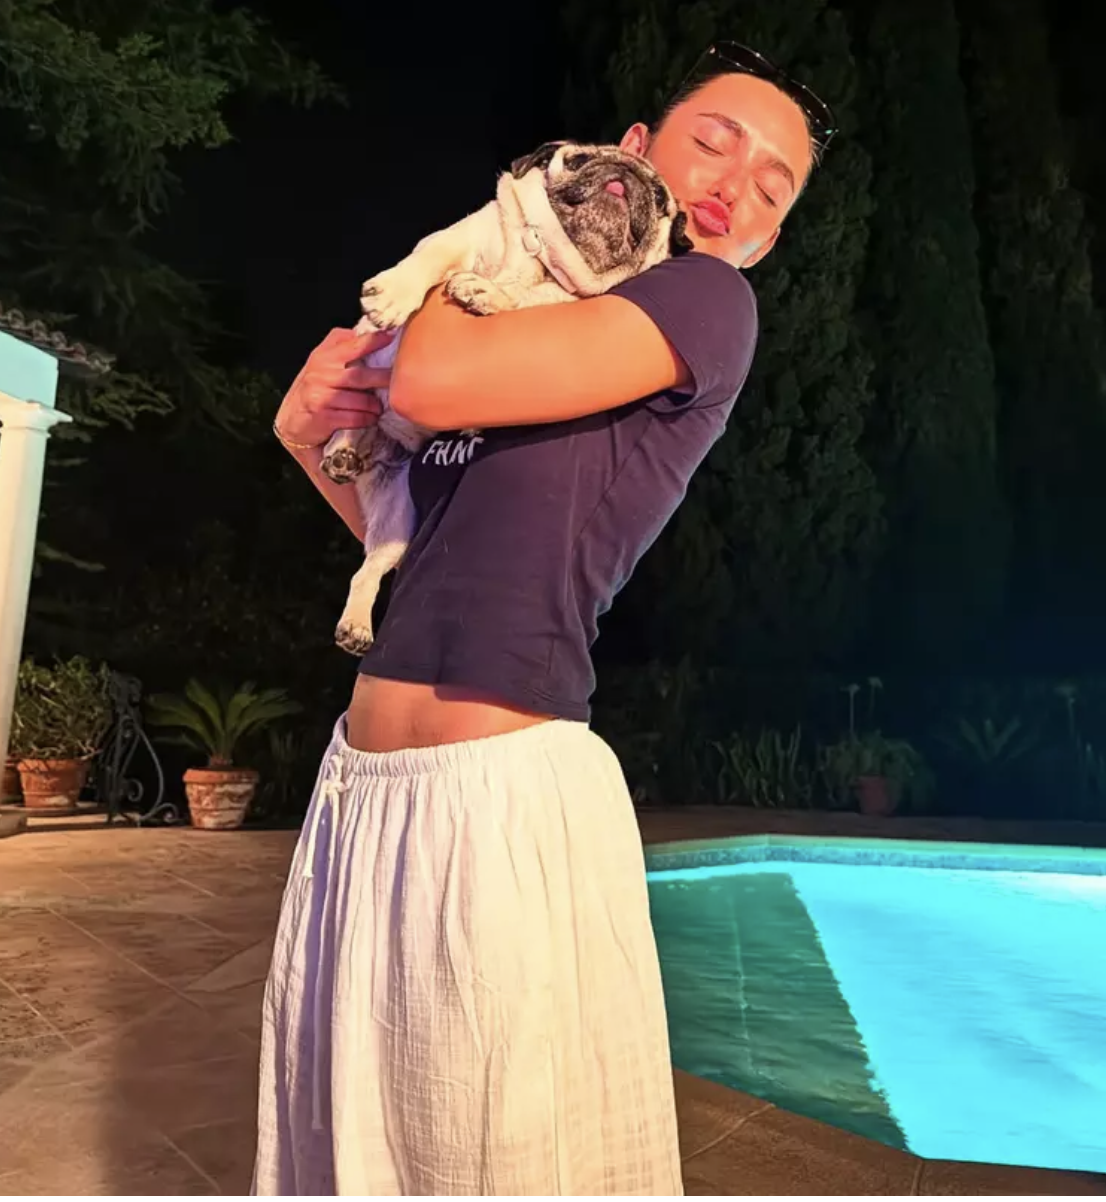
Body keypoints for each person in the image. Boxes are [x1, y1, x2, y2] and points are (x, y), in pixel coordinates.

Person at [254, 41, 835, 1197]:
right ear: (635, 149)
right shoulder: (531, 323)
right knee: (356, 1149)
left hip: (498, 794)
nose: (734, 183)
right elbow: (417, 545)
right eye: (713, 142)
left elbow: (424, 383)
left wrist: (469, 264)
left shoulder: (702, 298)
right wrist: (308, 433)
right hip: (359, 790)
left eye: (771, 187)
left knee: (489, 1154)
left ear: (764, 240)